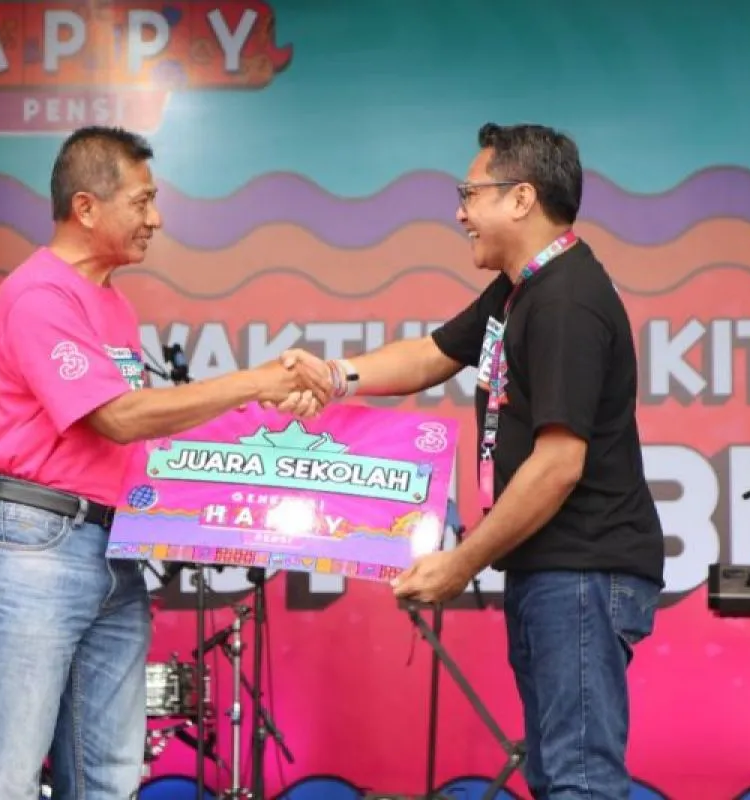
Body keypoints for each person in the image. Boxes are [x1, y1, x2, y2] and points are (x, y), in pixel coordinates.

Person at [283, 123, 665, 799]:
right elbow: (431, 355)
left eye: (470, 194)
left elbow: (559, 465)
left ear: (521, 198)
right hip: (551, 569)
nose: (459, 213)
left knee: (578, 781)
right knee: (556, 778)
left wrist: (461, 563)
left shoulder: (568, 301)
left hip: (584, 569)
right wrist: (334, 376)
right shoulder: (520, 290)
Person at [0, 126, 328, 800]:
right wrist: (255, 380)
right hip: (33, 546)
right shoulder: (40, 294)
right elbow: (117, 417)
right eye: (143, 201)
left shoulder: (114, 306)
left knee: (110, 778)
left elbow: (141, 434)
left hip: (112, 547)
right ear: (86, 207)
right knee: (4, 781)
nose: (156, 219)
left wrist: (267, 430)